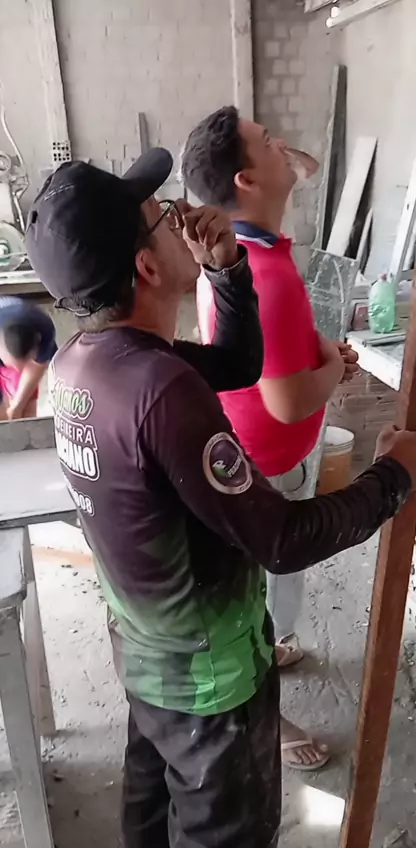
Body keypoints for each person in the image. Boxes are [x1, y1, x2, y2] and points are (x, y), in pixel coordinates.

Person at [26, 149, 416, 848]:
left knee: (150, 825)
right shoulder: (160, 390)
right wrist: (393, 476)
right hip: (212, 689)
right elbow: (281, 539)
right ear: (146, 268)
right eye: (163, 217)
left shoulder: (85, 362)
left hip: (150, 662)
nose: (184, 218)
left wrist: (226, 270)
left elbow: (236, 365)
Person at [181, 105, 359, 770]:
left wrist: (321, 354)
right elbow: (287, 402)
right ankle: (269, 717)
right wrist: (333, 368)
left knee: (265, 585)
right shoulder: (266, 272)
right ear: (247, 181)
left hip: (256, 455)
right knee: (256, 593)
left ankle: (270, 646)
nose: (283, 144)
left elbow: (276, 352)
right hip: (269, 461)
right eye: (266, 141)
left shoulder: (248, 254)